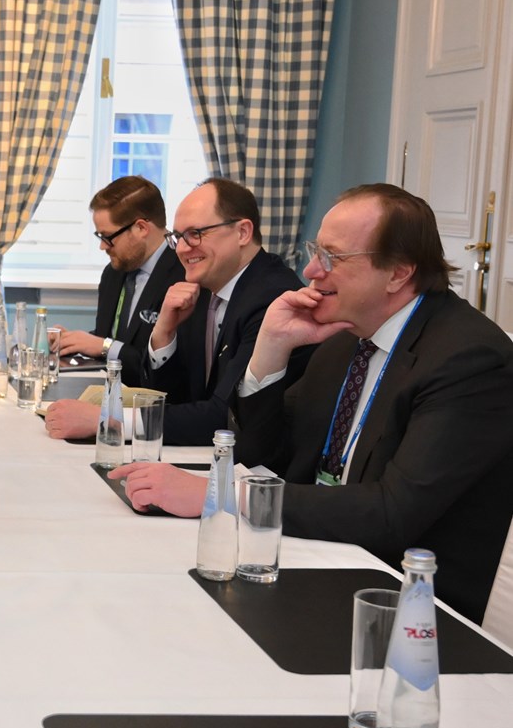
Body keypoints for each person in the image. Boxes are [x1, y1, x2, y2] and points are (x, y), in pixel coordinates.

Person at [117, 184, 513, 620]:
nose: (309, 271)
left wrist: (227, 495)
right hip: (322, 558)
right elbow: (263, 456)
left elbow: (392, 513)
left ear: (398, 273)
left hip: (409, 606)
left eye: (332, 257)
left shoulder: (470, 359)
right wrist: (270, 349)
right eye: (314, 251)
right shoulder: (346, 339)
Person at [47, 178, 307, 444]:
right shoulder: (202, 286)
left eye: (196, 234)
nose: (182, 249)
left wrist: (110, 420)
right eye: (178, 237)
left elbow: (227, 416)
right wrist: (164, 334)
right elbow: (172, 397)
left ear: (242, 232)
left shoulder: (274, 298)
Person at [48, 175, 184, 386]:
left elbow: (169, 367)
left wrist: (102, 346)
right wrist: (74, 341)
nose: (103, 246)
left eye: (108, 237)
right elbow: (112, 338)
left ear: (141, 228)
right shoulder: (113, 272)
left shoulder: (183, 277)